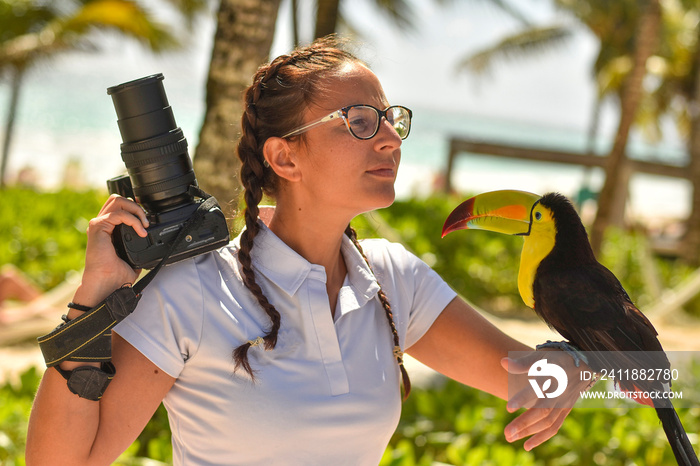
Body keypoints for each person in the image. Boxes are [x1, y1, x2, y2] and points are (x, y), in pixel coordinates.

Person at [26, 37, 588, 465]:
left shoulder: (393, 280)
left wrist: (578, 364)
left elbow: (553, 378)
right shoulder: (194, 290)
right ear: (285, 158)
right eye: (360, 122)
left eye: (391, 120)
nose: (391, 138)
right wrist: (92, 300)